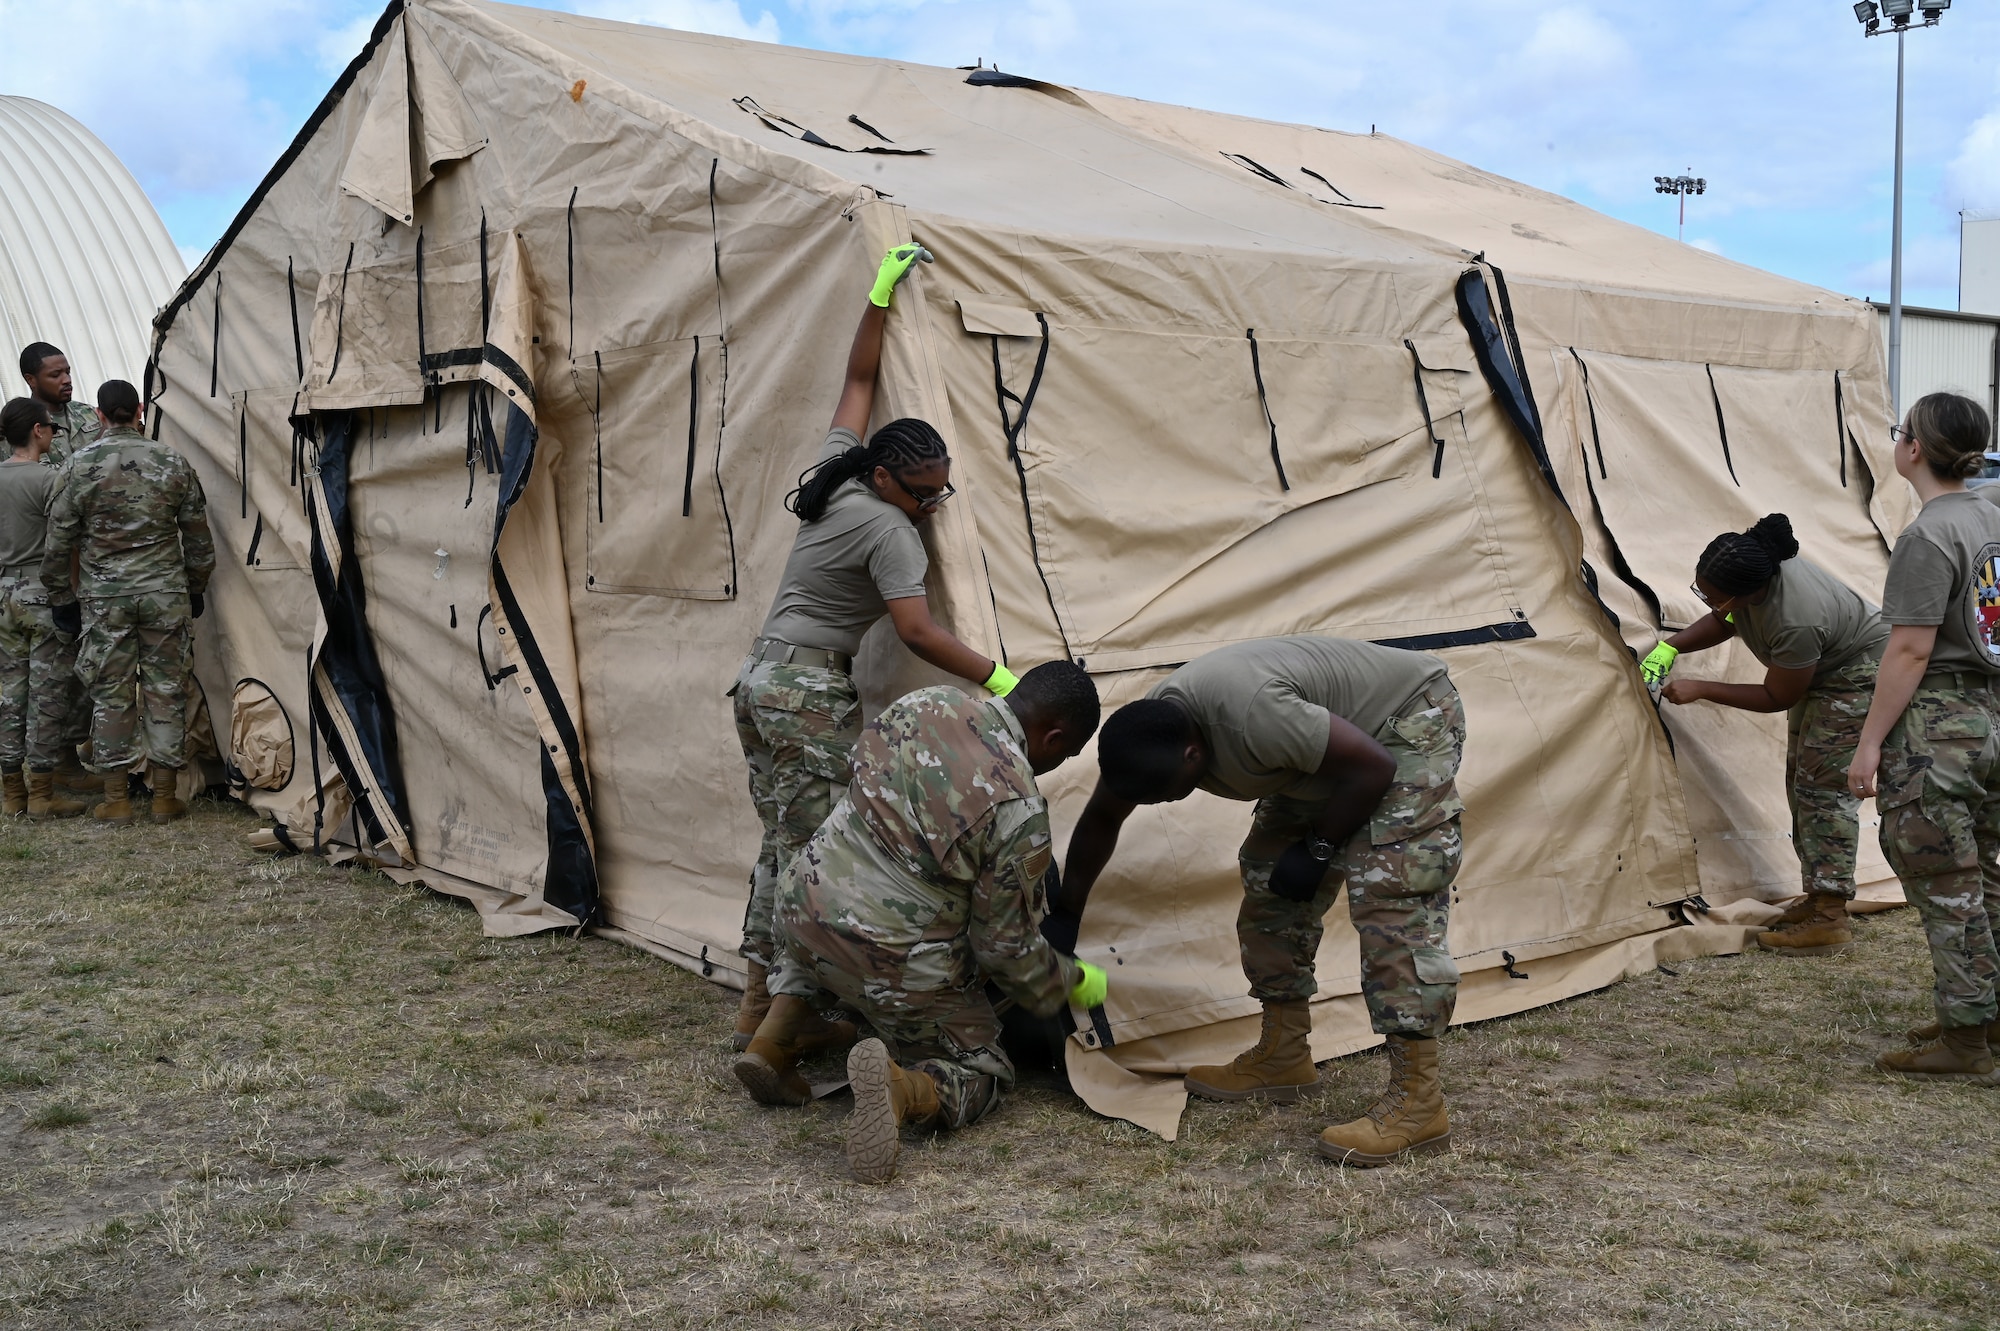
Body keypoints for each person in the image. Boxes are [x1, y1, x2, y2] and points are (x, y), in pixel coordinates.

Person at [729, 242, 1025, 1050]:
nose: (935, 502)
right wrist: (1002, 677)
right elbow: (917, 629)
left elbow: (858, 382)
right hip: (807, 698)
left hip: (761, 681)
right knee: (816, 854)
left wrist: (881, 294)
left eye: (942, 489)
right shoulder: (891, 530)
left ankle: (757, 1002)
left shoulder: (840, 473)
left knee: (783, 836)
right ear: (892, 481)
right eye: (925, 491)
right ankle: (783, 1032)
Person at [1059, 635, 1465, 1167]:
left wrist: (1320, 846)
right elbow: (1100, 821)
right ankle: (1284, 1056)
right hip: (1327, 750)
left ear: (1194, 754)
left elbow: (1373, 767)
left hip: (1402, 727)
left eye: (1166, 794)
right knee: (1270, 883)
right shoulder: (1147, 735)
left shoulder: (1254, 719)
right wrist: (1066, 917)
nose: (1156, 804)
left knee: (1391, 903)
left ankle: (1418, 1104)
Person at [734, 661, 1106, 1184]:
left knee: (829, 919)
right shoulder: (1018, 807)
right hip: (883, 957)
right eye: (1063, 755)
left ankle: (771, 1043)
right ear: (1054, 736)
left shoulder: (926, 701)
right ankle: (900, 1090)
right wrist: (1078, 982)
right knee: (988, 1071)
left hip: (799, 909)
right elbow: (1004, 949)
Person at [1642, 514, 1888, 957]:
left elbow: (1776, 694)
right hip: (1825, 673)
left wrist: (1701, 689)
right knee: (1802, 781)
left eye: (1711, 594)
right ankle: (1818, 897)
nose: (1707, 601)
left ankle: (1829, 919)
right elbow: (1725, 618)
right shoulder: (1759, 574)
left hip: (1857, 677)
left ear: (1747, 591)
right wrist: (1671, 645)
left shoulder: (1796, 619)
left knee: (1825, 792)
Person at [1848, 392, 2000, 1083]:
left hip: (1940, 726)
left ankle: (1966, 1041)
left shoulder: (1926, 535)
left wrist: (1870, 741)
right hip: (1992, 715)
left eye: (1899, 430)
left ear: (1913, 449)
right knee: (1991, 880)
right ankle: (1983, 1014)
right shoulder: (1990, 514)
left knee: (1948, 885)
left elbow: (1909, 650)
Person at [40, 380, 214, 826]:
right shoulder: (171, 461)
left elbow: (59, 540)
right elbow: (197, 535)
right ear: (139, 409)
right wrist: (194, 587)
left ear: (98, 415)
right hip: (164, 595)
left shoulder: (79, 464)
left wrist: (62, 596)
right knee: (165, 690)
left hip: (105, 599)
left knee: (110, 693)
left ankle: (116, 798)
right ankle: (163, 798)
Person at [0, 399, 85, 819]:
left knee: (9, 696)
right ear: (38, 430)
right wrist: (68, 596)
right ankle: (42, 793)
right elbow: (64, 543)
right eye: (51, 428)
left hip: (4, 594)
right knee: (47, 696)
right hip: (43, 593)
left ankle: (12, 792)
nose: (53, 433)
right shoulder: (51, 479)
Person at [18, 343, 101, 469]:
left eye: (68, 372)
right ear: (31, 380)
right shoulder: (20, 426)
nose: (67, 380)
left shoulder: (89, 413)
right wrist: (96, 450)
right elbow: (37, 476)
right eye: (56, 375)